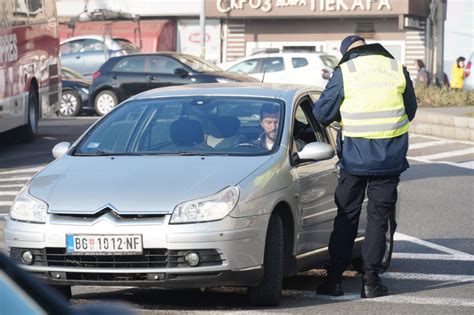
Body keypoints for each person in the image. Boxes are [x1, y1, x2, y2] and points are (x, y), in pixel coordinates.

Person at [312, 35, 417, 298]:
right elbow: (410, 110)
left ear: (347, 52)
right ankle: (370, 281)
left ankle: (334, 279)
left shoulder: (346, 71)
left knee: (346, 215)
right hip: (389, 158)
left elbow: (322, 114)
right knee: (379, 219)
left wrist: (342, 115)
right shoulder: (396, 68)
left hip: (354, 158)